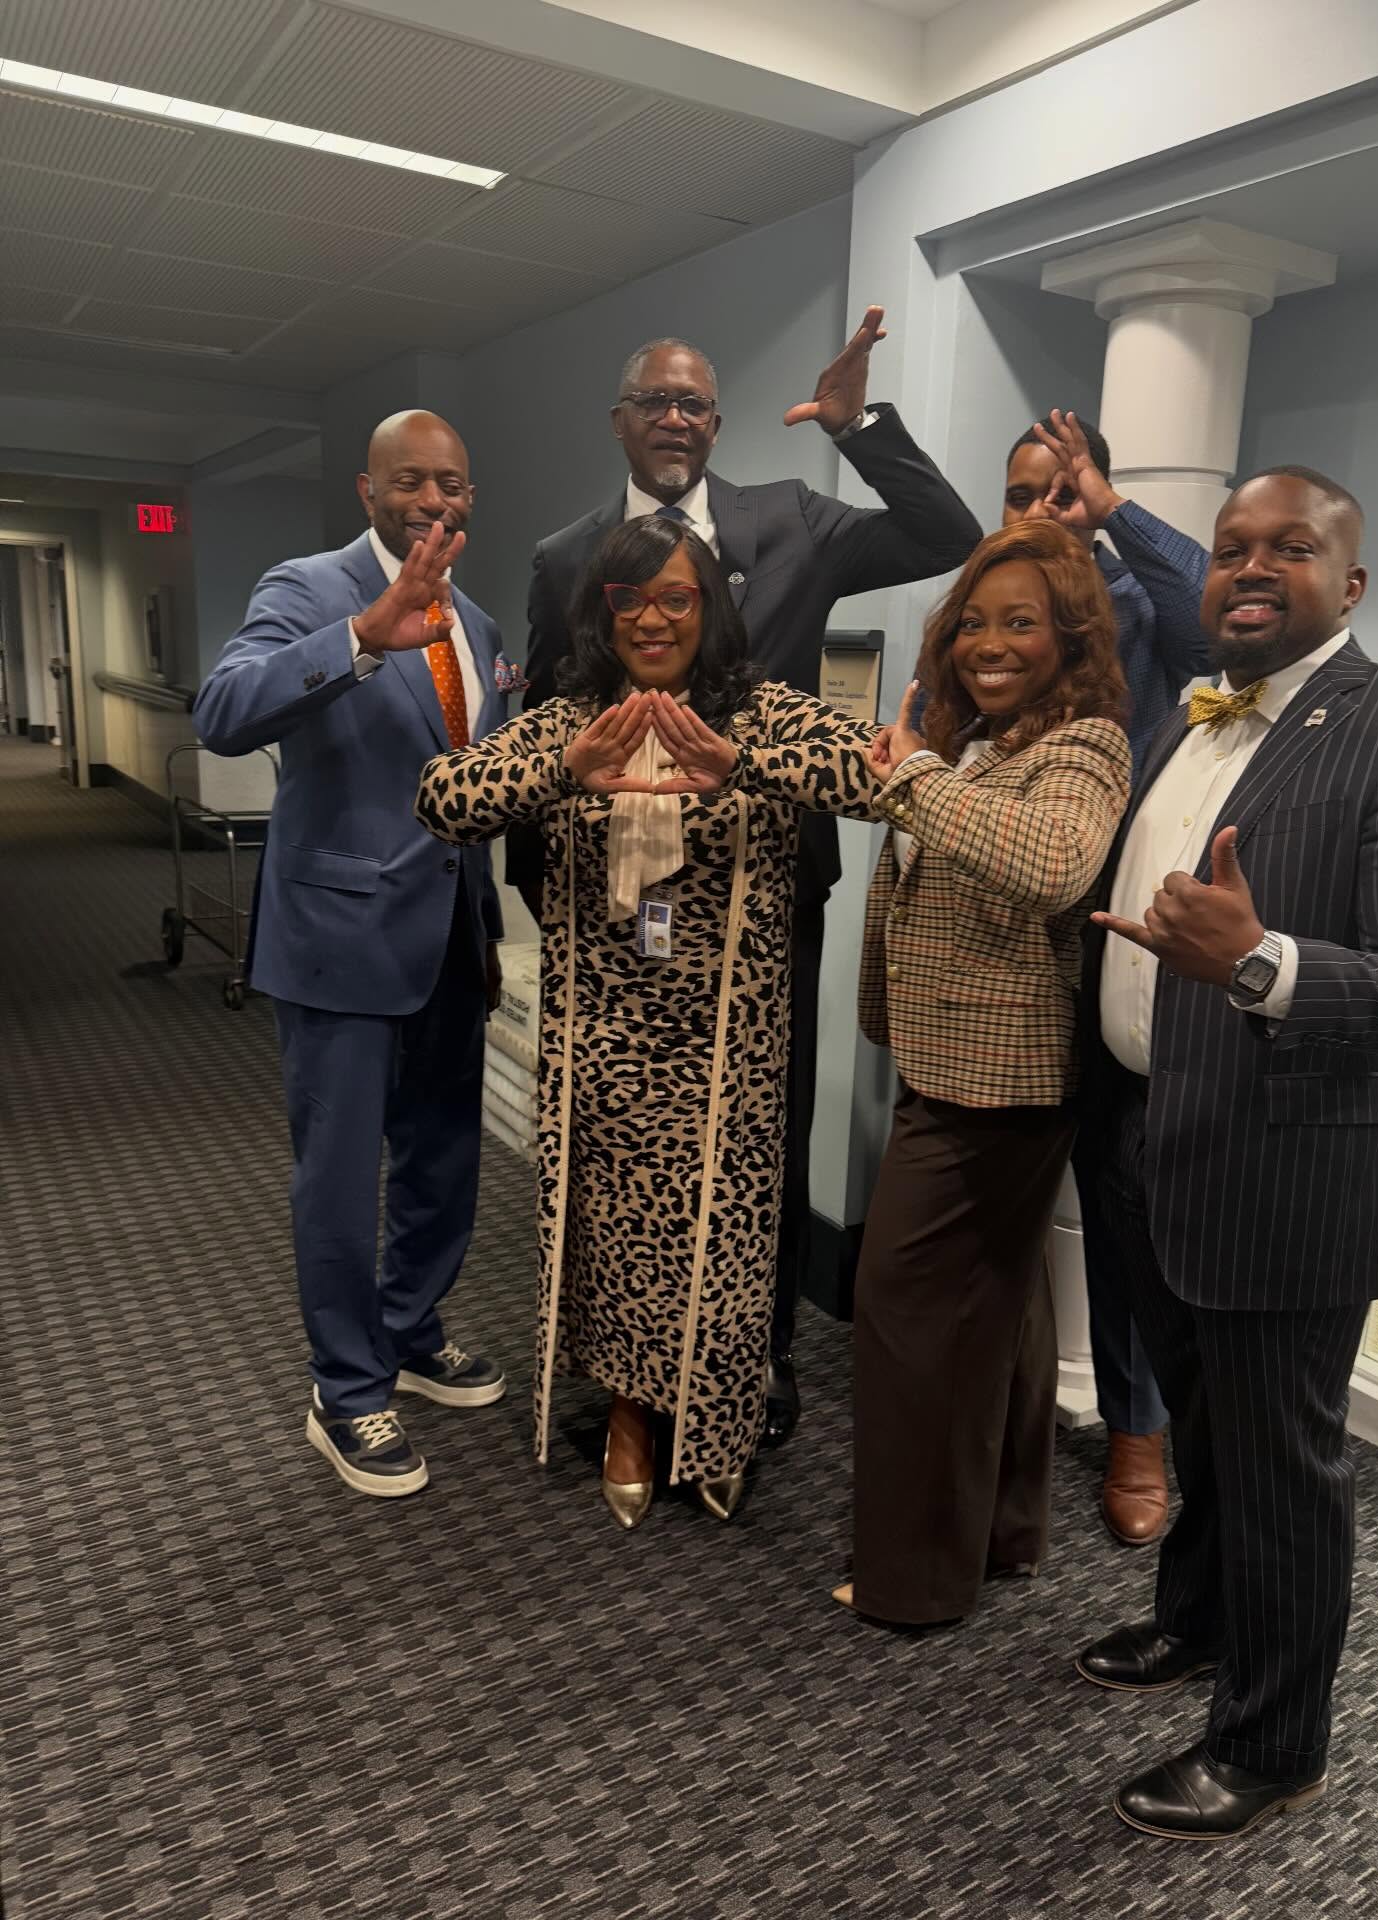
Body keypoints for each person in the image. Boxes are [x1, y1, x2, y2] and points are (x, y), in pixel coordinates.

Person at [508, 308, 981, 1448]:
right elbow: (547, 725)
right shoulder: (567, 556)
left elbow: (945, 532)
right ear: (620, 422)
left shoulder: (794, 519)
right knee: (624, 1135)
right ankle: (627, 1359)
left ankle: (748, 1359)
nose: (675, 418)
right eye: (655, 402)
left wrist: (857, 426)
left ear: (716, 425)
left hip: (765, 892)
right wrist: (542, 896)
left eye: (695, 404)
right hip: (616, 899)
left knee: (759, 1126)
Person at [1075, 467, 1378, 1839]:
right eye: (1233, 546)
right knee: (1206, 1434)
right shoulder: (1197, 714)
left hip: (1296, 1166)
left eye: (1292, 547)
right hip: (1160, 1135)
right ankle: (1200, 1623)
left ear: (1351, 583)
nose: (1250, 567)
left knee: (1284, 1473)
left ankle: (1276, 1742)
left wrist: (1265, 961)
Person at [417, 515, 880, 1528]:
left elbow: (874, 776)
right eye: (631, 598)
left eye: (677, 596)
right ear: (605, 610)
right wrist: (559, 771)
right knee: (622, 1242)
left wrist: (743, 765)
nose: (654, 619)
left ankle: (714, 1420)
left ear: (709, 606)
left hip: (729, 1046)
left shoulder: (760, 711)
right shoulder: (576, 718)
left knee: (726, 1244)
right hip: (606, 1041)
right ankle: (631, 1414)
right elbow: (441, 799)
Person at [192, 410, 513, 1498]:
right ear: (370, 491)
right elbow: (222, 711)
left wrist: (488, 924)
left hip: (448, 938)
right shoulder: (307, 589)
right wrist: (363, 638)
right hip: (339, 940)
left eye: (452, 484)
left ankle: (409, 1329)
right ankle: (346, 1386)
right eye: (411, 481)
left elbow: (472, 780)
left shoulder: (476, 617)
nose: (434, 501)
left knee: (443, 1157)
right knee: (337, 1178)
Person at [833, 519, 1130, 1624]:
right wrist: (917, 768)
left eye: (1022, 624)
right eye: (973, 624)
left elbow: (1051, 864)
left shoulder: (1084, 747)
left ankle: (914, 1579)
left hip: (1000, 1085)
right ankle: (1001, 1532)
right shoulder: (980, 744)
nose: (990, 644)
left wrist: (912, 773)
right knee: (999, 1307)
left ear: (1071, 640)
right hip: (952, 1064)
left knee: (906, 1309)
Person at [1008, 410, 1215, 1546]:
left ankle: (1138, 1429)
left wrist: (1116, 514)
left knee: (1119, 1194)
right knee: (986, 1183)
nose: (1041, 511)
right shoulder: (984, 611)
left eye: (1061, 491)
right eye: (1020, 493)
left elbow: (1210, 622)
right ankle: (994, 1410)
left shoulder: (1139, 608)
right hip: (998, 948)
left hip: (1107, 942)